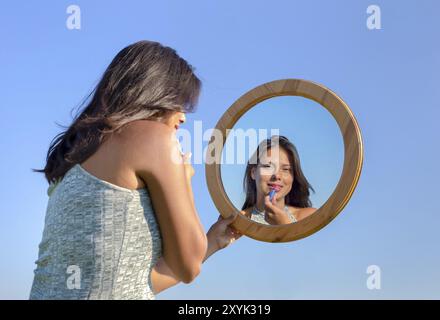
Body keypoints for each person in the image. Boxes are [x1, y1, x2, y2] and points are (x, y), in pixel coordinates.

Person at [29, 40, 242, 300]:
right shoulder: (154, 137)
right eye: (180, 103)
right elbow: (188, 267)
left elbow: (135, 283)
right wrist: (184, 180)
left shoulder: (74, 159)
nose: (183, 117)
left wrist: (212, 242)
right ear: (156, 92)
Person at [241, 135, 316, 225]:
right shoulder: (239, 221)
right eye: (268, 166)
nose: (277, 175)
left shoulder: (310, 216)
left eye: (285, 169)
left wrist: (283, 224)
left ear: (293, 176)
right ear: (253, 172)